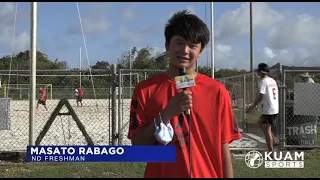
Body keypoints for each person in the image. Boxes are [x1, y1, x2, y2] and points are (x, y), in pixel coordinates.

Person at [127, 10, 241, 178]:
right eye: (179, 43)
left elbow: (223, 146)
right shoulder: (145, 90)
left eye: (193, 45)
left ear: (201, 51)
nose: (185, 50)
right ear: (167, 44)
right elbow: (138, 147)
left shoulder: (217, 91)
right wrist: (165, 115)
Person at [246, 63, 279, 152]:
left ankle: (271, 152)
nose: (257, 73)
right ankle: (274, 140)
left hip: (269, 109)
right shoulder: (272, 80)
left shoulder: (263, 81)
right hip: (274, 108)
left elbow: (261, 96)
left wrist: (252, 107)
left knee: (266, 131)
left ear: (261, 72)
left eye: (258, 71)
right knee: (260, 123)